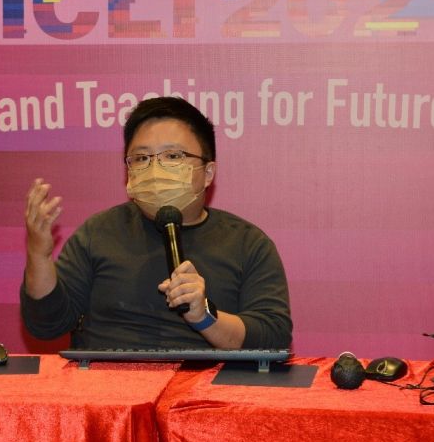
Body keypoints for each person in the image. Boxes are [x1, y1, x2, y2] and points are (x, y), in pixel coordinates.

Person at [20, 96, 292, 350]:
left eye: (172, 156)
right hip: (109, 381)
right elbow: (46, 325)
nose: (155, 169)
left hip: (208, 384)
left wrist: (204, 316)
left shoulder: (247, 244)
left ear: (208, 172)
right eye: (142, 158)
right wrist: (39, 256)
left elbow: (273, 336)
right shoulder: (98, 233)